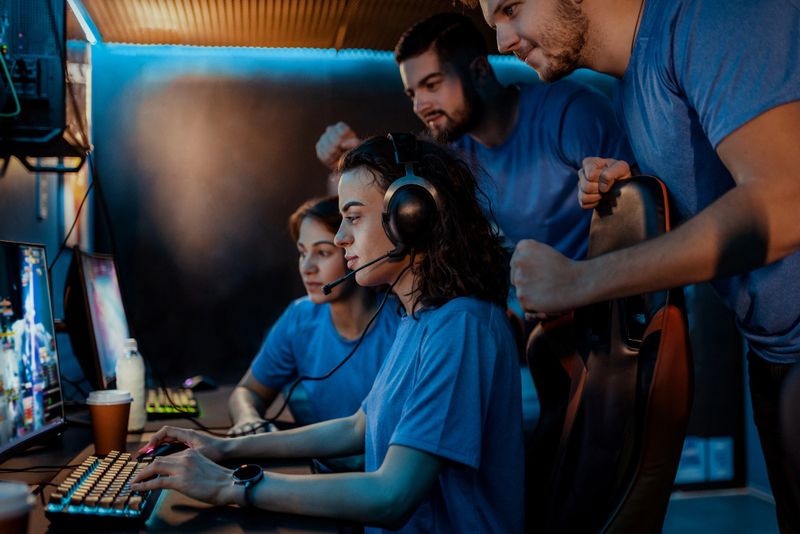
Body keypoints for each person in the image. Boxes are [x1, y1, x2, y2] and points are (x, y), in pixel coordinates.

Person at [467, 0, 800, 528]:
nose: (503, 41)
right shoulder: (630, 85)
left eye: (511, 9)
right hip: (771, 354)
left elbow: (786, 205)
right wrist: (638, 182)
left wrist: (578, 281)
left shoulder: (710, 16)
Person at [132, 135, 524, 533]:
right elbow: (358, 426)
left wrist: (227, 485)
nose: (340, 238)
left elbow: (391, 496)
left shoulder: (461, 328)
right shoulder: (420, 319)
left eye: (353, 217)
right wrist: (225, 448)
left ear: (411, 215)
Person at [316, 13, 634, 261]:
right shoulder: (454, 153)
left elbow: (636, 213)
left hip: (610, 304)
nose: (420, 105)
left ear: (479, 71)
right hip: (540, 315)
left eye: (433, 84)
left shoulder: (569, 113)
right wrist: (354, 161)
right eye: (412, 93)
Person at [227, 196, 399, 437]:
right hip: (319, 471)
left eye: (323, 252)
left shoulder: (403, 322)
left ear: (354, 251)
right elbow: (247, 391)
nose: (307, 267)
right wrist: (248, 419)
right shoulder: (300, 317)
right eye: (302, 253)